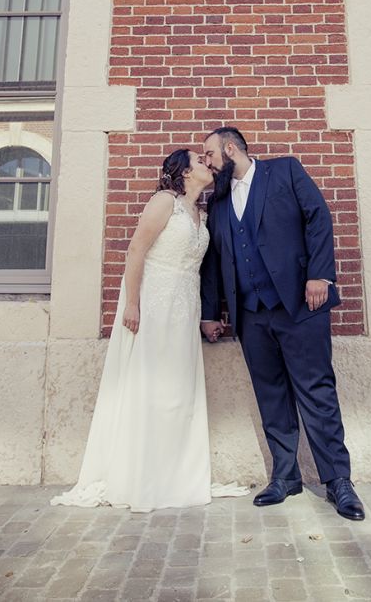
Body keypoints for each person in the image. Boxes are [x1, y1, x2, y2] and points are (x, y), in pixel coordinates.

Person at [51, 149, 247, 512]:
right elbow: (136, 251)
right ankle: (141, 475)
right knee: (151, 388)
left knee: (179, 391)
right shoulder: (164, 202)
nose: (207, 164)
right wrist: (132, 303)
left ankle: (176, 475)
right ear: (184, 172)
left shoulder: (201, 213)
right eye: (200, 161)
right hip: (154, 304)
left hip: (184, 308)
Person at [199, 127, 365, 521]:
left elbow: (318, 218)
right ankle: (285, 477)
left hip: (301, 305)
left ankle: (338, 481)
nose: (207, 162)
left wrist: (319, 276)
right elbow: (213, 261)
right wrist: (210, 312)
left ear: (230, 148)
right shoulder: (218, 202)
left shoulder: (285, 171)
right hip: (251, 314)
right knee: (271, 395)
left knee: (316, 391)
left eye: (209, 154)